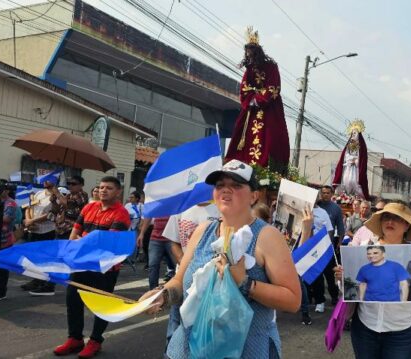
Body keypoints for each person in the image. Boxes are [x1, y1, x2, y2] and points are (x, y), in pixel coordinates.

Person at [141, 159, 301, 358]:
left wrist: (245, 282)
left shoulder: (267, 236)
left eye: (236, 185)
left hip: (247, 349)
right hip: (189, 347)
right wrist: (162, 296)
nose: (226, 190)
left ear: (254, 196)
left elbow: (293, 300)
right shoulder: (202, 231)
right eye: (220, 185)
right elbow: (179, 281)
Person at [335, 202, 411, 359]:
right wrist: (342, 279)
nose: (390, 222)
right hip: (365, 328)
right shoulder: (364, 248)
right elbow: (352, 290)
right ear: (380, 223)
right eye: (386, 218)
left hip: (402, 333)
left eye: (397, 218)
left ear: (407, 226)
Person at [52, 176, 131, 358]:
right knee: (73, 300)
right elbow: (75, 232)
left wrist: (84, 243)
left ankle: (95, 340)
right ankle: (75, 338)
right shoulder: (89, 207)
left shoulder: (121, 213)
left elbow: (107, 244)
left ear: (118, 192)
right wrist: (80, 244)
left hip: (105, 268)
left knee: (101, 305)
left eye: (109, 188)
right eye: (101, 187)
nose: (103, 190)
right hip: (80, 263)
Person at [225, 27, 289, 171]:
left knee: (270, 136)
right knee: (242, 134)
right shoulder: (249, 69)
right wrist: (251, 99)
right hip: (251, 110)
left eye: (251, 51)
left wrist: (260, 98)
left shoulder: (271, 67)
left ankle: (268, 168)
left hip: (269, 108)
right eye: (247, 52)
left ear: (257, 51)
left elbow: (274, 87)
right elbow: (244, 88)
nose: (249, 55)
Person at [161, 201, 220, 351]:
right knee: (175, 320)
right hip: (184, 276)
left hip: (209, 284)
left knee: (202, 327)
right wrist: (161, 296)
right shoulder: (181, 207)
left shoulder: (220, 209)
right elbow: (173, 241)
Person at [23, 175, 60, 296]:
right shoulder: (38, 193)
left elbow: (53, 213)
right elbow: (29, 207)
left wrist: (33, 221)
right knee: (34, 258)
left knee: (46, 259)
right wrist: (28, 220)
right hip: (33, 230)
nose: (45, 181)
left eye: (48, 179)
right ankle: (36, 280)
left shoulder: (57, 196)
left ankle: (47, 284)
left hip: (47, 231)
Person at [311, 185, 344, 312]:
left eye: (327, 193)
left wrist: (337, 243)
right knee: (315, 274)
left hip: (327, 244)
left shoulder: (335, 209)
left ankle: (334, 295)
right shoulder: (314, 205)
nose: (325, 195)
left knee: (330, 274)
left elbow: (338, 228)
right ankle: (316, 298)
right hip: (311, 246)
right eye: (323, 193)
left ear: (331, 194)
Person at [53, 175, 88, 239]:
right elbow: (58, 210)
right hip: (61, 229)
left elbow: (69, 204)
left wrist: (57, 193)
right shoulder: (68, 195)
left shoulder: (82, 194)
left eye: (73, 184)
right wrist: (53, 201)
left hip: (72, 230)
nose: (70, 186)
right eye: (68, 183)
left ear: (81, 185)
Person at [146, 217, 176, 289]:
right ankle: (152, 290)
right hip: (156, 239)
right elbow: (148, 216)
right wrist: (141, 233)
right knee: (153, 265)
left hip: (171, 238)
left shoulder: (174, 206)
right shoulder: (157, 206)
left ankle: (178, 289)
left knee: (178, 265)